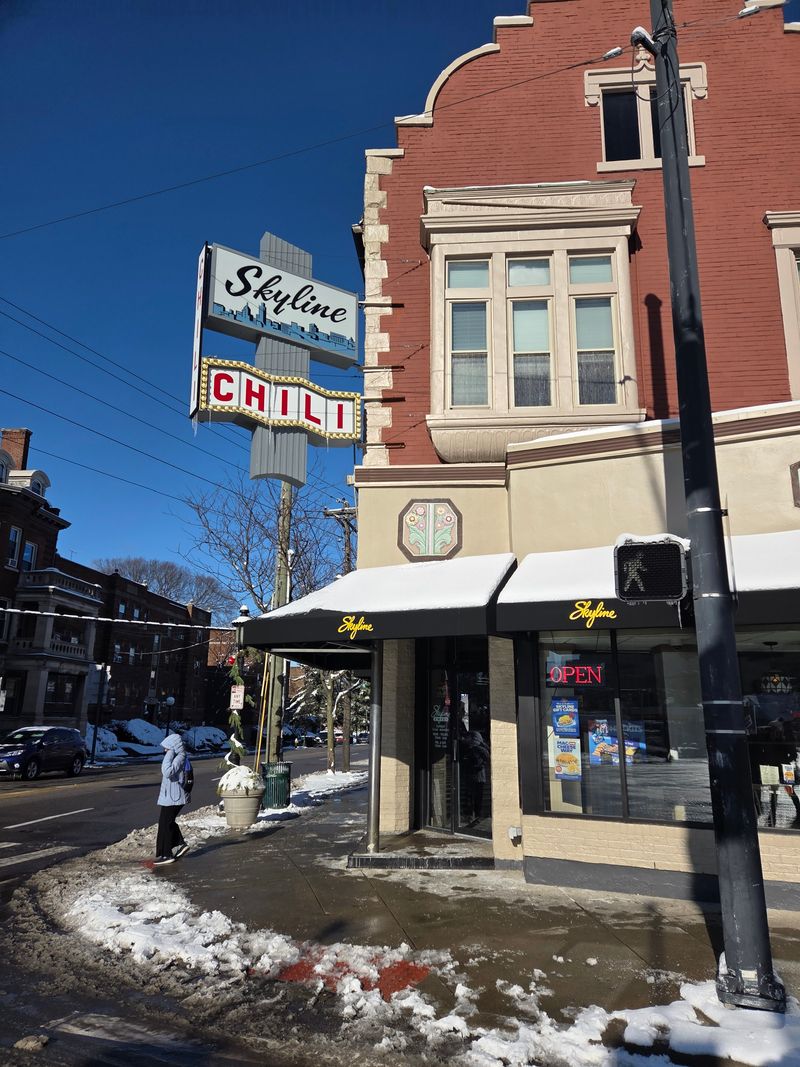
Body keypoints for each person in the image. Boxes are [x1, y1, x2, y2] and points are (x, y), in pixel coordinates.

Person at [154, 732, 190, 866]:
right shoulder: (177, 756)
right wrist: (170, 753)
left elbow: (167, 772)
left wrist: (170, 753)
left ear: (173, 746)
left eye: (167, 748)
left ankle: (167, 854)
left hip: (175, 797)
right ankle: (178, 845)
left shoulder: (180, 757)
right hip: (170, 796)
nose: (165, 750)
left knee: (166, 823)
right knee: (165, 822)